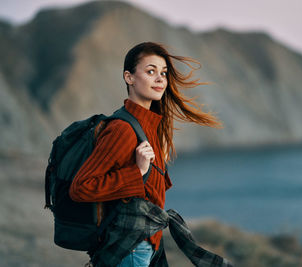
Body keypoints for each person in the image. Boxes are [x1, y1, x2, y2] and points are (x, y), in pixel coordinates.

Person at [69, 42, 223, 267]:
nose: (160, 79)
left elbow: (150, 192)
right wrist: (138, 171)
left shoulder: (148, 125)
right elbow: (81, 188)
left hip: (146, 242)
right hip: (131, 247)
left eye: (163, 73)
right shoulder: (121, 129)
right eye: (151, 71)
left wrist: (158, 164)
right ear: (129, 77)